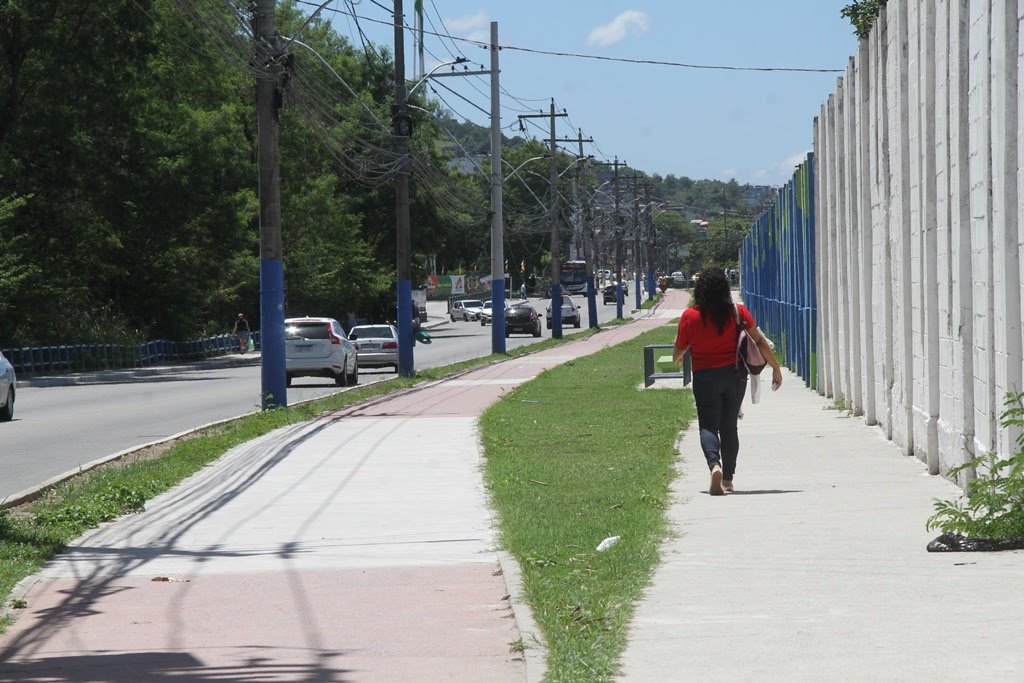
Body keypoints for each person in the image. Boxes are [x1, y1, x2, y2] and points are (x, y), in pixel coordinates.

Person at [672, 267, 782, 495]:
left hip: (704, 377)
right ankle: (728, 480)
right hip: (734, 376)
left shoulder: (690, 316)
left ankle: (715, 466)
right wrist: (775, 367)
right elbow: (760, 341)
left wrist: (678, 356)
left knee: (708, 426)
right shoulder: (738, 312)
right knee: (729, 427)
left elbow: (679, 350)